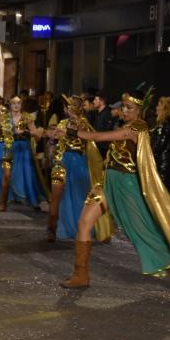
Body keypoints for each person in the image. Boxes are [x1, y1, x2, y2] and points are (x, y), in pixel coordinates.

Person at [57, 90, 170, 295]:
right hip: (107, 183)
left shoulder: (138, 127)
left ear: (140, 110)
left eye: (130, 108)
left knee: (144, 234)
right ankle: (80, 274)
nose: (125, 110)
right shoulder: (125, 125)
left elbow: (99, 137)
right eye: (124, 107)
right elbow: (97, 137)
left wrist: (71, 132)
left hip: (126, 186)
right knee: (84, 223)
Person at [47, 95, 111, 242]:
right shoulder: (62, 122)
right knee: (58, 197)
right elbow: (53, 140)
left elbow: (89, 138)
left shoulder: (83, 123)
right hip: (62, 162)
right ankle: (52, 227)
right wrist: (52, 141)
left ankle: (79, 227)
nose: (67, 109)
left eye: (69, 107)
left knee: (79, 196)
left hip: (78, 163)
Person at [5, 95, 48, 211]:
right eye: (14, 103)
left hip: (24, 147)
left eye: (18, 103)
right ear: (10, 105)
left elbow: (36, 134)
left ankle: (31, 199)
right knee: (11, 172)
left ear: (21, 105)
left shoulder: (26, 117)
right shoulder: (6, 117)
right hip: (11, 147)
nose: (16, 105)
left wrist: (26, 132)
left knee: (26, 172)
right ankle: (14, 196)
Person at [151, 96, 170, 193]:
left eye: (158, 105)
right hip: (168, 166)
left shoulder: (164, 125)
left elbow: (158, 146)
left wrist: (148, 157)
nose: (156, 107)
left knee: (161, 194)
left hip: (161, 166)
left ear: (164, 109)